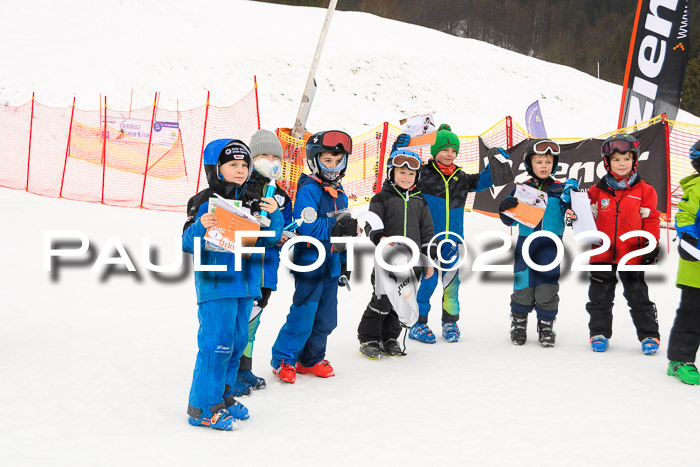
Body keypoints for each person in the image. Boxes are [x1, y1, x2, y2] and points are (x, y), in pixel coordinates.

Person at [182, 139, 283, 430]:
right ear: (216, 168)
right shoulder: (203, 200)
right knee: (216, 346)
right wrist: (201, 224)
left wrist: (273, 213)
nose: (240, 170)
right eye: (233, 165)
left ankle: (223, 398)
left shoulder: (252, 198)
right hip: (216, 284)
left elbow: (271, 237)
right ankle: (202, 407)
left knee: (237, 343)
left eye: (244, 165)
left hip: (245, 283)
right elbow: (187, 244)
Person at [393, 124, 498, 344]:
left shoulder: (461, 178)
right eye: (445, 150)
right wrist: (397, 151)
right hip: (429, 241)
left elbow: (485, 181)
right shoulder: (422, 175)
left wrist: (497, 163)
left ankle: (450, 323)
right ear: (434, 152)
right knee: (428, 282)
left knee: (451, 283)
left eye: (453, 151)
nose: (450, 155)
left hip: (454, 242)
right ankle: (418, 324)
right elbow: (398, 175)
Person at [270, 130, 359, 383]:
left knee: (327, 316)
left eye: (337, 161)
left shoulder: (340, 192)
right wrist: (335, 228)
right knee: (304, 312)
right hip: (310, 260)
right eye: (327, 161)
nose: (333, 166)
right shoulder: (309, 189)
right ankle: (284, 359)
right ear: (314, 161)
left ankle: (310, 359)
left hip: (331, 263)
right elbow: (305, 225)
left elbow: (344, 234)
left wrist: (345, 262)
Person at [229, 129, 294, 397]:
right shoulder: (241, 187)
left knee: (253, 322)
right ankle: (229, 372)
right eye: (264, 155)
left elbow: (287, 225)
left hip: (268, 269)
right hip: (245, 266)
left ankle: (244, 369)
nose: (271, 160)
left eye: (274, 156)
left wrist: (285, 234)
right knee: (239, 320)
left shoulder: (281, 194)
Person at [584, 134, 661, 354]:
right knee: (599, 297)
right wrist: (574, 209)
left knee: (638, 296)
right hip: (602, 255)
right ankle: (598, 333)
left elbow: (651, 220)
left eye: (626, 159)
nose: (621, 164)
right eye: (616, 160)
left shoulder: (645, 191)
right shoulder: (596, 192)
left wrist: (651, 246)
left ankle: (649, 335)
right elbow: (585, 218)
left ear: (634, 160)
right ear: (607, 163)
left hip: (632, 254)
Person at [357, 149, 436, 359]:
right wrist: (379, 238)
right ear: (391, 173)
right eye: (401, 172)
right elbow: (370, 224)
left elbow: (427, 232)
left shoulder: (420, 201)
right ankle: (369, 338)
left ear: (417, 177)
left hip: (412, 262)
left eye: (411, 174)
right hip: (387, 261)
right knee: (382, 299)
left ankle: (390, 337)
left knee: (402, 299)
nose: (406, 177)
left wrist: (428, 261)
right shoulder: (382, 198)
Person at [498, 139, 577, 347]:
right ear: (529, 164)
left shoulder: (561, 191)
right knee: (523, 282)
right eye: (539, 162)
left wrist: (572, 201)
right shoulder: (523, 190)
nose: (544, 166)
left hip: (551, 246)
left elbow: (574, 218)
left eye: (548, 162)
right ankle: (519, 322)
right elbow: (507, 219)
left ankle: (546, 324)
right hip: (526, 244)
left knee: (547, 285)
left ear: (555, 165)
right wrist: (505, 207)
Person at [667, 140, 700, 384]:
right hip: (696, 269)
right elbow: (685, 214)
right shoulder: (697, 188)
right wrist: (689, 239)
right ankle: (680, 360)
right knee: (692, 314)